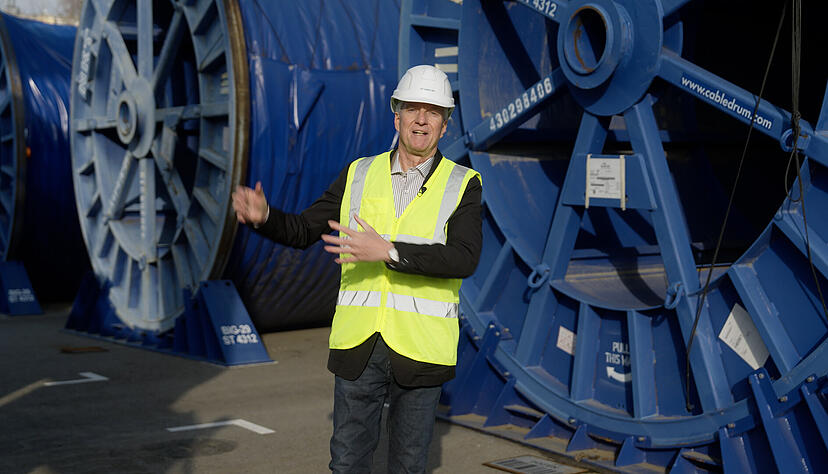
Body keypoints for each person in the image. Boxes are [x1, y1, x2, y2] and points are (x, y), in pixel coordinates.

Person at [232, 64, 482, 473]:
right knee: (346, 465)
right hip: (359, 348)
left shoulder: (463, 184)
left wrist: (389, 251)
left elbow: (463, 258)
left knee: (408, 467)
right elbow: (304, 230)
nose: (421, 119)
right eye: (412, 109)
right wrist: (265, 217)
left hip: (422, 350)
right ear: (396, 116)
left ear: (445, 124)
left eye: (433, 111)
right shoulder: (358, 174)